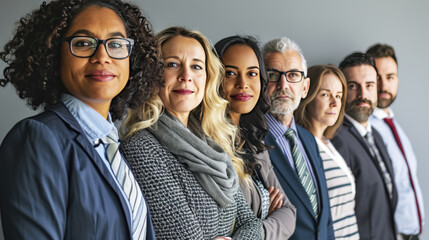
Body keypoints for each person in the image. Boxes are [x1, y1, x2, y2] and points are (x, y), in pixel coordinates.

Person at [0, 0, 162, 239]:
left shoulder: (110, 145)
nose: (102, 56)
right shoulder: (38, 138)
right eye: (84, 43)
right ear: (54, 56)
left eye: (116, 44)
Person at [119, 27, 262, 240]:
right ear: (153, 74)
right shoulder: (141, 148)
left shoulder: (211, 142)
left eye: (196, 66)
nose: (186, 76)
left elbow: (252, 223)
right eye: (173, 65)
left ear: (207, 79)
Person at [214, 35, 297, 239]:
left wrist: (255, 230)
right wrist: (265, 209)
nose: (243, 84)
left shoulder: (253, 141)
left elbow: (289, 213)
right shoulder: (206, 142)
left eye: (252, 73)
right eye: (231, 73)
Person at [262, 37, 334, 240]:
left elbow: (325, 219)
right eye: (273, 75)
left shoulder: (309, 139)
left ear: (305, 87)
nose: (283, 84)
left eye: (293, 75)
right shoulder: (249, 143)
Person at [332, 52, 398, 239]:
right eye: (353, 86)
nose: (363, 95)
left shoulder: (376, 135)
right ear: (342, 90)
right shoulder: (336, 140)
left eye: (369, 85)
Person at [295, 64, 360, 239]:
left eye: (339, 96)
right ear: (307, 96)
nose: (335, 103)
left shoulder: (329, 144)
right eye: (325, 94)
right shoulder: (302, 148)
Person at [367, 43, 424, 240]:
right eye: (377, 78)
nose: (384, 86)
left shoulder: (393, 125)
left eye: (390, 77)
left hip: (412, 234)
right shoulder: (366, 128)